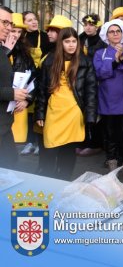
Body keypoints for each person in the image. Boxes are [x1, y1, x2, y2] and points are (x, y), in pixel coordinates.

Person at [35, 27, 97, 180]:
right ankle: (48, 182)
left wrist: (90, 116)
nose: (71, 44)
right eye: (67, 41)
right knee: (49, 148)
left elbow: (91, 91)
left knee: (69, 151)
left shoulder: (85, 62)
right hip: (53, 111)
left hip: (73, 112)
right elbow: (42, 90)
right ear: (60, 43)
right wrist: (40, 113)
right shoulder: (49, 61)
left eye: (74, 41)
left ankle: (63, 181)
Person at [93, 19, 123, 187]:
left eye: (117, 31)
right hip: (107, 101)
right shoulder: (100, 53)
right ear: (106, 35)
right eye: (111, 31)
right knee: (111, 137)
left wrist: (121, 59)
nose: (115, 34)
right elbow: (100, 73)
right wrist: (114, 60)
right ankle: (112, 173)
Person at [0, 6, 30, 168]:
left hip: (4, 125)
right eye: (4, 22)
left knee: (10, 164)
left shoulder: (2, 48)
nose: (9, 28)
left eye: (10, 23)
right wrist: (11, 93)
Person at [19, 11, 50, 156]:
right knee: (28, 114)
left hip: (41, 77)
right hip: (26, 80)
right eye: (29, 20)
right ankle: (29, 142)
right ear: (23, 23)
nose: (34, 22)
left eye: (35, 19)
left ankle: (40, 143)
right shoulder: (21, 38)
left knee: (40, 111)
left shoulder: (44, 37)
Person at [77, 13, 107, 157]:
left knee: (96, 113)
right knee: (82, 111)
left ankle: (96, 144)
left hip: (98, 80)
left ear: (98, 26)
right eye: (86, 24)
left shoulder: (103, 40)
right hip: (82, 79)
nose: (88, 28)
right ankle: (82, 141)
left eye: (92, 25)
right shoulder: (79, 38)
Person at [7, 13, 37, 149]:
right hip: (4, 105)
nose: (16, 35)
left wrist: (28, 99)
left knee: (13, 149)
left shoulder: (23, 52)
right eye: (13, 31)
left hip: (18, 106)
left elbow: (35, 78)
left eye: (19, 32)